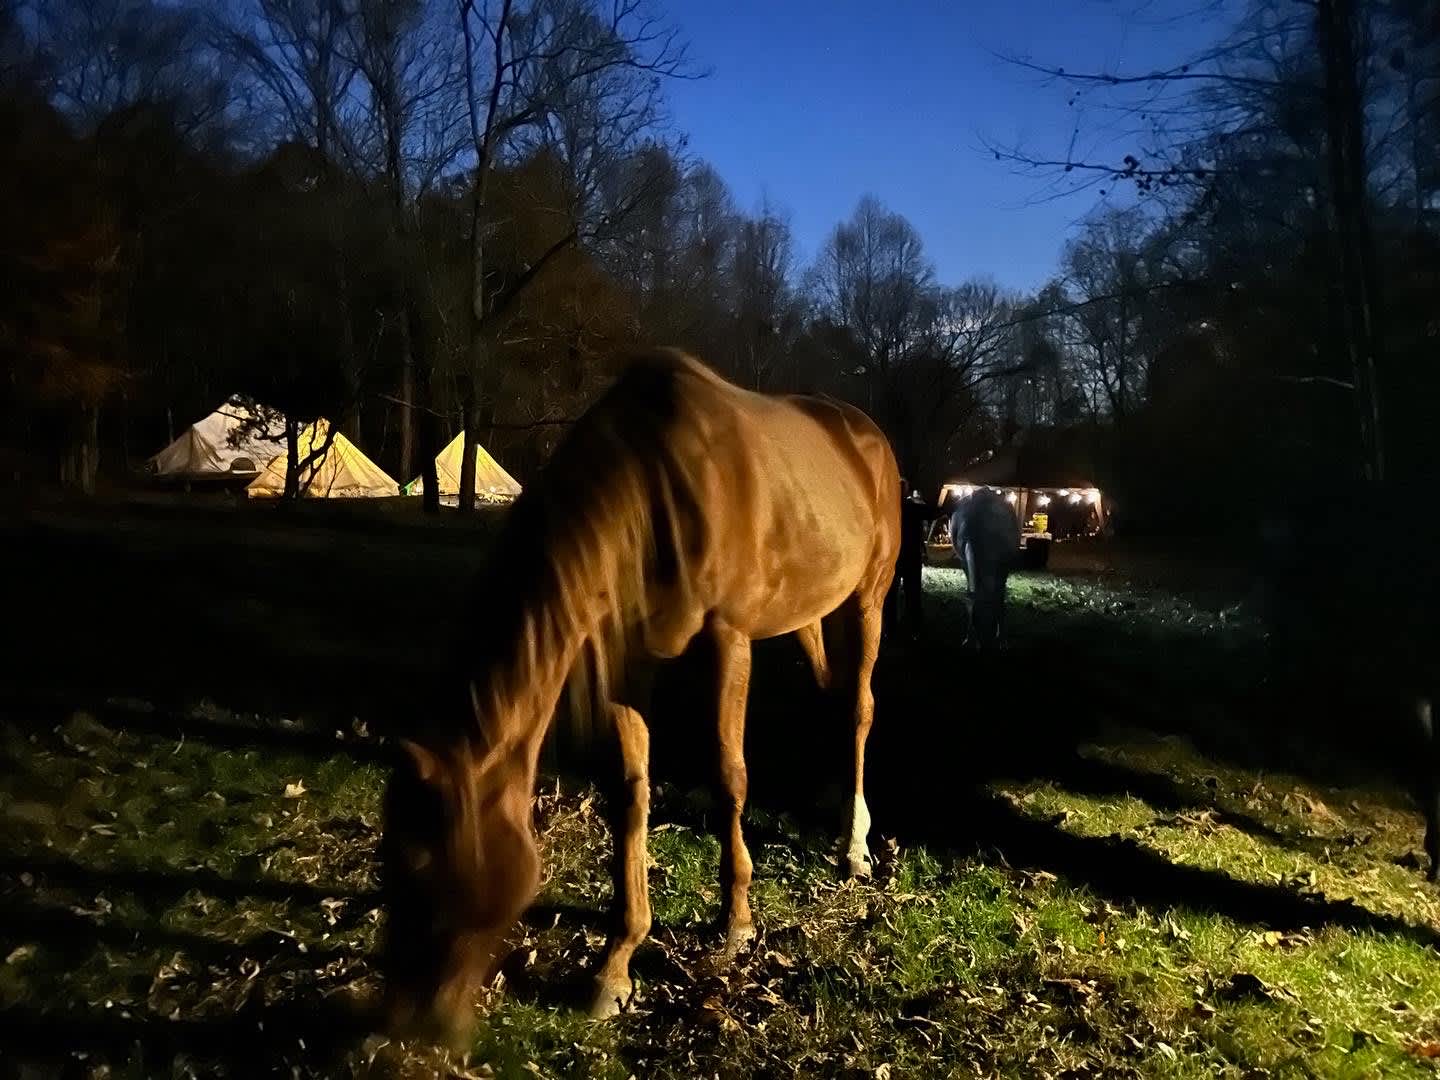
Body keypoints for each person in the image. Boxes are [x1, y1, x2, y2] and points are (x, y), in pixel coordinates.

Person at [884, 479, 941, 638]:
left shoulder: (888, 508)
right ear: (907, 491)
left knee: (890, 596)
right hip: (911, 558)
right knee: (913, 595)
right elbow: (934, 512)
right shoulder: (914, 508)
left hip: (893, 558)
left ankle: (890, 629)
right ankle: (914, 629)